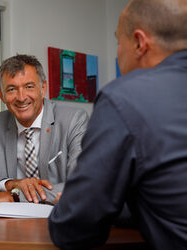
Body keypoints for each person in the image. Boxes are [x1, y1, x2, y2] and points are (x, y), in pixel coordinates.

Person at [48, 0, 187, 249]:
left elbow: (75, 229)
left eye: (117, 41)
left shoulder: (124, 98)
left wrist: (71, 205)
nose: (117, 52)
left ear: (139, 42)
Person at [0, 54, 89, 206]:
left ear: (43, 88)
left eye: (29, 87)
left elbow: (81, 184)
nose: (21, 97)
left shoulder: (74, 120)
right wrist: (8, 185)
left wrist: (14, 197)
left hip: (57, 219)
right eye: (12, 89)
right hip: (6, 223)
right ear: (1, 95)